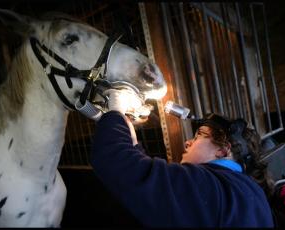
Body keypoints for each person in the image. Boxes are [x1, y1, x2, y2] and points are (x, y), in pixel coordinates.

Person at [90, 89, 275, 227]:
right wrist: (134, 145)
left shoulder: (209, 184)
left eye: (199, 136)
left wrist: (115, 111)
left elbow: (112, 157)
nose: (187, 143)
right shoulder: (249, 192)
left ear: (223, 150)